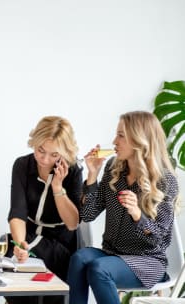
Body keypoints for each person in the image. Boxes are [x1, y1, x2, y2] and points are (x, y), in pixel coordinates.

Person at [67, 111, 179, 304]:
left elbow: (158, 239)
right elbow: (88, 214)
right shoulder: (113, 168)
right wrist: (92, 175)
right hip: (112, 253)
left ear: (139, 140)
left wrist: (137, 214)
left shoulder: (165, 181)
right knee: (80, 258)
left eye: (121, 135)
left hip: (148, 261)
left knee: (99, 269)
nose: (114, 141)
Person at [0, 116, 83, 304]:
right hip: (28, 235)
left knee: (5, 252)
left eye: (54, 154)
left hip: (59, 244)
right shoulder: (22, 165)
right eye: (40, 150)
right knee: (9, 248)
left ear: (64, 152)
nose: (44, 159)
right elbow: (17, 212)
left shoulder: (73, 171)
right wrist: (20, 246)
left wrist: (58, 188)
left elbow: (73, 223)